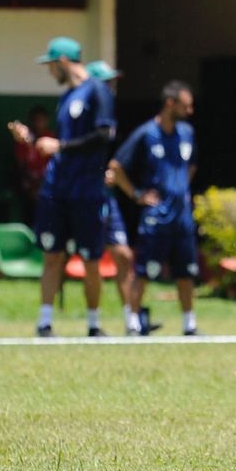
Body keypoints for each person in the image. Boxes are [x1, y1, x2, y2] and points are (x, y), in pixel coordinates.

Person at [27, 37, 117, 337]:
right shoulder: (66, 98)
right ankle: (44, 322)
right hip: (58, 189)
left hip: (87, 190)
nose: (50, 72)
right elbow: (59, 147)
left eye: (51, 65)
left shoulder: (98, 91)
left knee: (91, 259)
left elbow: (104, 135)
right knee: (52, 255)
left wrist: (60, 146)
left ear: (64, 61)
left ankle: (93, 324)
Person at [110, 80, 201, 336]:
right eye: (186, 105)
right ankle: (133, 324)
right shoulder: (146, 133)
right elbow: (116, 167)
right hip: (156, 217)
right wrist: (137, 195)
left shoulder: (187, 133)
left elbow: (191, 166)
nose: (190, 111)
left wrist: (179, 189)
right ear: (170, 103)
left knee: (186, 272)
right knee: (144, 272)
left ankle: (189, 325)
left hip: (182, 216)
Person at [85, 60, 161, 336]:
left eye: (112, 82)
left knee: (124, 255)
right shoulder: (83, 117)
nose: (111, 87)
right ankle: (90, 323)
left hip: (107, 198)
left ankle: (133, 321)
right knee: (85, 260)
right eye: (106, 82)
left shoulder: (110, 115)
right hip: (84, 198)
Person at [8, 105, 53, 222]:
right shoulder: (22, 141)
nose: (39, 123)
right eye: (36, 120)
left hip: (49, 183)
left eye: (42, 119)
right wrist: (31, 185)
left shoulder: (52, 139)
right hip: (29, 184)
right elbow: (20, 166)